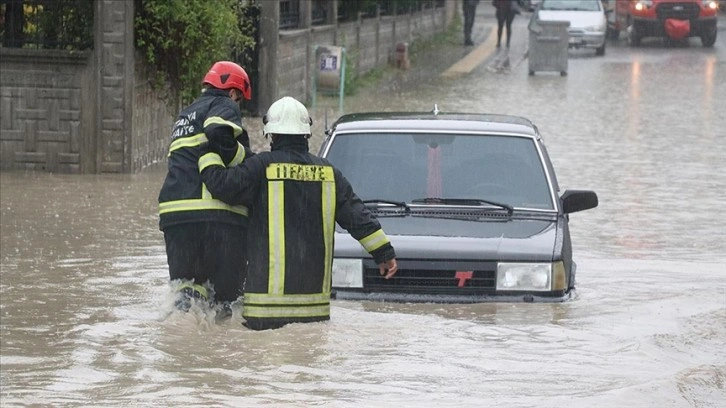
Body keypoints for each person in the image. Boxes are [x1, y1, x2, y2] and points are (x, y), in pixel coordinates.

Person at [198, 96, 399, 330]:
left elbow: (223, 187)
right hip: (314, 312)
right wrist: (384, 252)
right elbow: (358, 217)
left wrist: (207, 154)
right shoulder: (329, 174)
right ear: (306, 133)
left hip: (265, 310)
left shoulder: (261, 167)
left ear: (271, 135)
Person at [158, 61, 253, 320]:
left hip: (175, 219)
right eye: (239, 99)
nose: (238, 104)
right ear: (233, 91)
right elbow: (218, 131)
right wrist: (244, 158)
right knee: (225, 300)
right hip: (212, 216)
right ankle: (218, 354)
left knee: (186, 293)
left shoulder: (186, 114)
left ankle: (183, 346)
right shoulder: (223, 105)